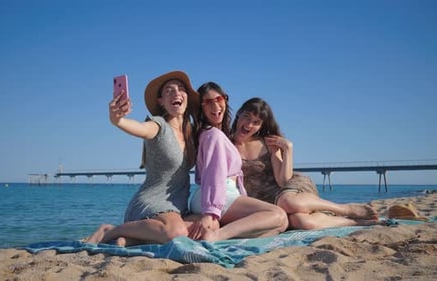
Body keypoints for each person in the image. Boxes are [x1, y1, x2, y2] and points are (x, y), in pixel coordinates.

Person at [86, 70, 199, 245]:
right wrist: (117, 120)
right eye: (169, 90)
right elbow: (140, 128)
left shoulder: (192, 132)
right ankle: (110, 230)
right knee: (176, 232)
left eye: (180, 89)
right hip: (152, 203)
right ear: (161, 101)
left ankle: (129, 239)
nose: (176, 93)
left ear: (186, 96)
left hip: (178, 208)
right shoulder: (158, 126)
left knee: (207, 223)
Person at [231, 97, 380, 230]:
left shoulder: (268, 143)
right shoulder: (224, 143)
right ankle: (353, 222)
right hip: (265, 202)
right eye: (246, 117)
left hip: (288, 190)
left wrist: (288, 149)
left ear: (261, 126)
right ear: (238, 114)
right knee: (301, 222)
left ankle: (345, 209)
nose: (249, 125)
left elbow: (283, 181)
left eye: (256, 122)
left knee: (287, 202)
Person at [187, 82, 288, 241]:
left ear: (225, 100)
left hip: (220, 195)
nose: (215, 105)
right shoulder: (213, 134)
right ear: (201, 108)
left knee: (280, 225)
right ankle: (216, 236)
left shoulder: (219, 134)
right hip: (216, 194)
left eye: (218, 99)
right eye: (208, 102)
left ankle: (223, 235)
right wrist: (210, 213)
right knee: (278, 215)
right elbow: (215, 174)